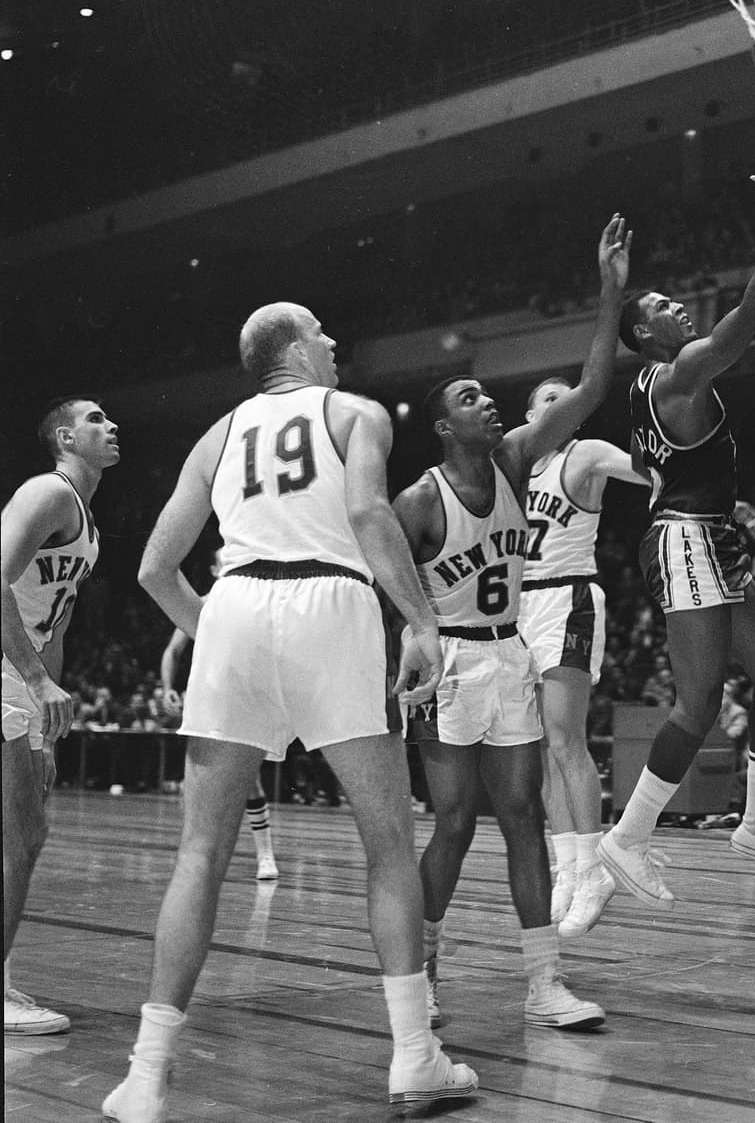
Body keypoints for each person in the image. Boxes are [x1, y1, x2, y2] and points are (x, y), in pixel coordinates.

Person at [103, 304, 476, 1122]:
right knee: (385, 843)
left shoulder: (219, 433)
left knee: (200, 852)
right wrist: (420, 621)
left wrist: (219, 638)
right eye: (324, 333)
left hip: (236, 601)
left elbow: (156, 569)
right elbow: (372, 517)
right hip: (331, 603)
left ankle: (145, 1074)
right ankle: (415, 1058)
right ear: (298, 348)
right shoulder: (355, 414)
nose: (338, 343)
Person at [393, 216, 630, 1030]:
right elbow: (385, 586)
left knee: (525, 816)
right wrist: (409, 646)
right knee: (455, 822)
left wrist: (609, 292)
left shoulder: (516, 461)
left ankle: (544, 983)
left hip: (512, 655)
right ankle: (421, 971)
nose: (485, 402)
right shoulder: (418, 502)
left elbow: (593, 392)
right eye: (469, 399)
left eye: (486, 396)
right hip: (451, 665)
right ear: (442, 428)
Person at [600, 142, 755, 911]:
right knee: (696, 706)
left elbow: (663, 466)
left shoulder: (644, 390)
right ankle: (626, 837)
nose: (676, 306)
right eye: (659, 306)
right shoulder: (682, 370)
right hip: (687, 540)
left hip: (705, 535)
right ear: (647, 337)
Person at [517, 374, 649, 940]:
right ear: (529, 414)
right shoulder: (514, 468)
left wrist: (711, 497)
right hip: (517, 609)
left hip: (568, 596)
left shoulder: (588, 453)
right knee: (541, 749)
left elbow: (649, 472)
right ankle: (566, 870)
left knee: (567, 739)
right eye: (549, 398)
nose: (561, 404)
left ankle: (592, 871)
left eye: (568, 398)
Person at [3, 396, 117, 1035]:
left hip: (20, 678)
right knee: (22, 837)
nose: (112, 425)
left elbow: (56, 618)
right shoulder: (47, 493)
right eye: (97, 419)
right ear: (66, 437)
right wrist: (36, 678)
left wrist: (50, 697)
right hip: (6, 670)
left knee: (17, 836)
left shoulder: (88, 524)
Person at [160, 619, 278, 881]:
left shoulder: (251, 593)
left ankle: (265, 854)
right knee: (198, 778)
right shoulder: (202, 601)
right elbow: (172, 651)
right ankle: (196, 855)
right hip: (205, 696)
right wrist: (167, 688)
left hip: (242, 692)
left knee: (250, 777)